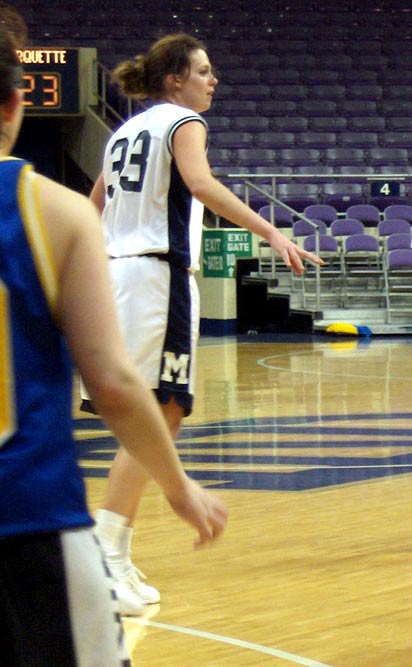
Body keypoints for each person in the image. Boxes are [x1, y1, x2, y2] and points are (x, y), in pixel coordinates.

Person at [0, 6, 227, 665]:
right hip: (27, 522)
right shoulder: (59, 211)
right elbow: (112, 381)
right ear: (14, 106)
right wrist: (180, 488)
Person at [82, 33, 321, 614]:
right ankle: (105, 555)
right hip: (159, 279)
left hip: (119, 277)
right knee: (159, 415)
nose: (212, 81)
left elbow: (92, 208)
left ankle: (111, 550)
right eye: (204, 71)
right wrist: (270, 230)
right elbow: (202, 185)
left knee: (152, 416)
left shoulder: (122, 134)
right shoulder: (181, 124)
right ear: (175, 80)